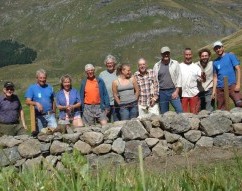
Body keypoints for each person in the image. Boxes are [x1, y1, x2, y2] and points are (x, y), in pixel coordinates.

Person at [25, 69, 57, 133]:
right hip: (39, 116)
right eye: (41, 78)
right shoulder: (32, 88)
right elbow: (27, 101)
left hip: (50, 115)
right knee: (42, 135)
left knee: (55, 132)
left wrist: (54, 112)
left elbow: (53, 100)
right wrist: (36, 103)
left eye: (44, 78)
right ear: (37, 78)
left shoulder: (50, 87)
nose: (42, 79)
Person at [212, 41, 242, 109]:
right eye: (216, 49)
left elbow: (238, 69)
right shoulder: (215, 62)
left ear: (222, 47)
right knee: (221, 108)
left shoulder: (230, 56)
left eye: (219, 47)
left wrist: (238, 84)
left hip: (232, 85)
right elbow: (215, 77)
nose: (218, 50)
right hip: (220, 87)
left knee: (239, 103)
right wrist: (214, 91)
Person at [153, 46, 183, 114]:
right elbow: (154, 80)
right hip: (162, 93)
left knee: (180, 110)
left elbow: (179, 77)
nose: (166, 55)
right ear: (161, 54)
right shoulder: (156, 65)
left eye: (167, 53)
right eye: (164, 53)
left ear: (169, 53)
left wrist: (177, 91)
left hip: (173, 91)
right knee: (164, 113)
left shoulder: (175, 63)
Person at [180, 48, 204, 114]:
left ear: (192, 55)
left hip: (194, 93)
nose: (188, 56)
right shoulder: (179, 66)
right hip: (183, 94)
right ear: (184, 55)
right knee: (183, 114)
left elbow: (201, 78)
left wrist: (202, 77)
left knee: (194, 113)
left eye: (189, 55)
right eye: (186, 55)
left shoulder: (196, 67)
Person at [99, 54, 120, 122]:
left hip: (117, 102)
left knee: (117, 121)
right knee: (106, 122)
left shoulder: (118, 73)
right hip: (106, 103)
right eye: (108, 63)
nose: (110, 65)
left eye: (111, 63)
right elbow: (100, 89)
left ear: (114, 63)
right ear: (106, 64)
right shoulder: (102, 74)